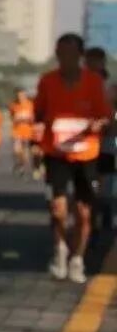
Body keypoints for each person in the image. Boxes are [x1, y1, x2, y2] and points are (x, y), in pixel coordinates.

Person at [33, 34, 111, 284]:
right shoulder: (47, 81)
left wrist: (98, 124)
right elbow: (38, 113)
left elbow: (105, 116)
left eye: (70, 53)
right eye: (61, 53)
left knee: (83, 213)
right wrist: (36, 139)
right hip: (56, 154)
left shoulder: (93, 82)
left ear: (80, 56)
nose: (65, 58)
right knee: (58, 210)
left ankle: (77, 259)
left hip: (86, 154)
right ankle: (60, 250)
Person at [84, 46, 116, 236]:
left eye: (95, 61)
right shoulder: (79, 84)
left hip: (107, 140)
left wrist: (112, 123)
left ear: (102, 63)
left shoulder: (110, 86)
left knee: (105, 182)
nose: (92, 65)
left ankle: (105, 210)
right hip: (85, 141)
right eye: (89, 62)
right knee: (88, 181)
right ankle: (91, 218)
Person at [8, 89, 35, 178]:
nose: (20, 97)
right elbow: (12, 116)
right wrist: (16, 119)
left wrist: (28, 119)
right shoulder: (13, 105)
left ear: (25, 96)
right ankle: (20, 163)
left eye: (22, 95)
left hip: (28, 131)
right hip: (17, 131)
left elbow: (34, 117)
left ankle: (24, 167)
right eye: (18, 96)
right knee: (16, 150)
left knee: (26, 151)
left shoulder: (30, 105)